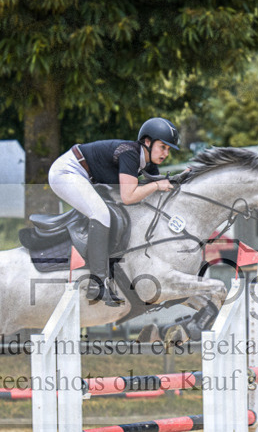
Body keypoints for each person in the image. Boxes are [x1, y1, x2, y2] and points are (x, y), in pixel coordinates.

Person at [48, 117, 179, 305]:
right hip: (67, 172)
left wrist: (182, 178)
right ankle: (97, 283)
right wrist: (158, 185)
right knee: (101, 214)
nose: (166, 153)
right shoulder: (130, 153)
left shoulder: (148, 162)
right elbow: (129, 196)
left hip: (85, 176)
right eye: (163, 147)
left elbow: (158, 186)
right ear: (147, 142)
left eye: (168, 149)